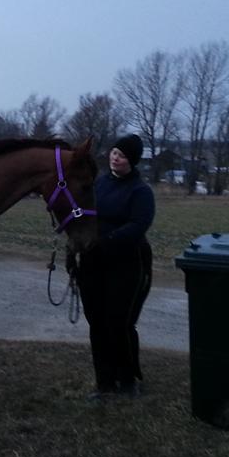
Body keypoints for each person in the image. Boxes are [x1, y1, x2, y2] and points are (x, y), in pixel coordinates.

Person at [74, 133, 155, 399]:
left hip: (128, 264)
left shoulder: (141, 192)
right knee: (97, 322)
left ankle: (129, 380)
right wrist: (75, 243)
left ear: (131, 160)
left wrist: (105, 241)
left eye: (120, 154)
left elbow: (137, 226)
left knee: (119, 322)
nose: (114, 157)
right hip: (94, 262)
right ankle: (104, 383)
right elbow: (84, 214)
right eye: (113, 152)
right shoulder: (100, 184)